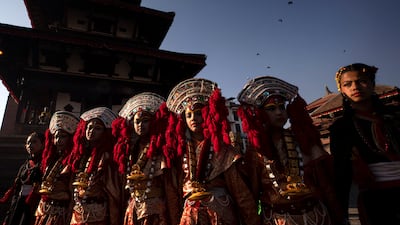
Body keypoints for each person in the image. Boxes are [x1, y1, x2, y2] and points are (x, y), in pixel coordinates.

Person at [237, 76, 342, 225]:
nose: (279, 112)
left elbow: (325, 184)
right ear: (260, 114)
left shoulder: (304, 139)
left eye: (282, 107)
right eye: (271, 109)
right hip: (277, 219)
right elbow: (252, 193)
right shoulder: (255, 151)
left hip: (315, 215)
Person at [165, 78, 261, 225]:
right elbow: (175, 192)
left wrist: (251, 220)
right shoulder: (180, 150)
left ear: (207, 114)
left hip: (219, 211)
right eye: (189, 115)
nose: (194, 119)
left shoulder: (222, 149)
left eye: (198, 113)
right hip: (190, 215)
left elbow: (240, 192)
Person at [329, 63, 400, 225]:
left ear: (372, 84)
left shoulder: (394, 118)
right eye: (348, 84)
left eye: (361, 81)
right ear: (342, 90)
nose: (355, 87)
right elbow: (342, 171)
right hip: (375, 197)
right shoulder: (340, 128)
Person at [112, 92, 180, 225]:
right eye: (137, 121)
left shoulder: (161, 150)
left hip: (155, 212)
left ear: (153, 122)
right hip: (133, 210)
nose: (140, 125)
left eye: (146, 121)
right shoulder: (130, 151)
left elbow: (170, 187)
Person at [67, 107, 122, 225]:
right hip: (77, 213)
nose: (91, 131)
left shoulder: (106, 157)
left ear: (104, 132)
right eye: (89, 127)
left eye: (97, 128)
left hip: (97, 214)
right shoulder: (81, 155)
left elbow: (113, 192)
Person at [34, 111, 79, 225]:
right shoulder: (50, 159)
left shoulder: (73, 161)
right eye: (56, 137)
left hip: (60, 212)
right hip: (43, 209)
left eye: (63, 137)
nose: (58, 140)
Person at [1, 132, 45, 225]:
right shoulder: (25, 165)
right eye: (28, 143)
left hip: (33, 202)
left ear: (42, 145)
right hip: (19, 201)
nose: (30, 145)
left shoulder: (44, 164)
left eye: (34, 142)